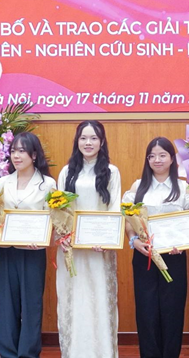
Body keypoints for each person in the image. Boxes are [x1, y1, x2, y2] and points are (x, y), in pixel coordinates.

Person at [122, 137, 189, 358]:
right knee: (146, 311)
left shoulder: (183, 188)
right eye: (152, 156)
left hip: (174, 257)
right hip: (144, 256)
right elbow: (129, 222)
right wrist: (134, 241)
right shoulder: (138, 187)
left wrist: (183, 244)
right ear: (147, 160)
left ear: (172, 159)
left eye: (162, 155)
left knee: (172, 311)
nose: (157, 160)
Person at [56, 120, 122, 358]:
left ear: (102, 142)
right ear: (77, 141)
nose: (88, 143)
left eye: (94, 138)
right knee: (73, 299)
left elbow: (115, 209)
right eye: (83, 138)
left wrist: (106, 239)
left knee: (100, 299)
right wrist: (62, 234)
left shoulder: (112, 172)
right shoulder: (67, 172)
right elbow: (59, 209)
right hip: (71, 249)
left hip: (99, 249)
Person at [0, 132, 56, 358]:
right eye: (13, 151)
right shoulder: (2, 182)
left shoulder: (47, 184)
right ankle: (8, 352)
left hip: (33, 252)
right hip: (6, 251)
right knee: (6, 305)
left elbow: (53, 218)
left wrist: (43, 238)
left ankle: (28, 353)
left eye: (21, 151)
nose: (16, 156)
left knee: (31, 306)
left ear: (34, 155)